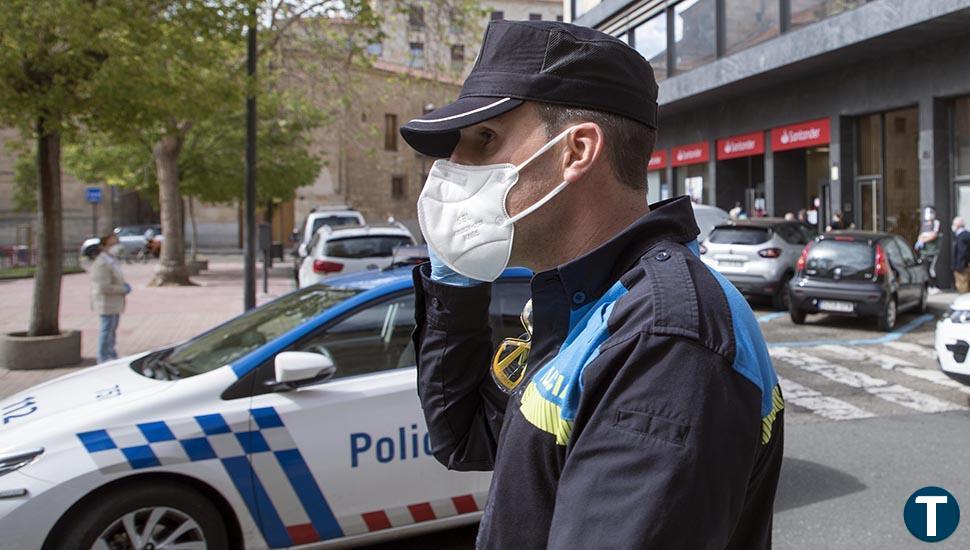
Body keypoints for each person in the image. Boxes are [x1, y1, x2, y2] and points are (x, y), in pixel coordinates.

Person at [400, 20, 783, 549]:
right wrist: (456, 281)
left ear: (576, 151)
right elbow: (463, 438)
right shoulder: (579, 301)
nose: (450, 166)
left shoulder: (662, 341)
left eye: (483, 138)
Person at [91, 233, 131, 363]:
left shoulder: (112, 260)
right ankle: (103, 357)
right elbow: (103, 287)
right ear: (103, 246)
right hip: (106, 303)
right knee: (106, 330)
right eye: (111, 244)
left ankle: (111, 354)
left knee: (112, 330)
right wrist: (123, 289)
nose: (115, 247)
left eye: (116, 243)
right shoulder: (101, 263)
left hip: (115, 303)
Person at [916, 206, 942, 291]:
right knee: (925, 268)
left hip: (932, 251)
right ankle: (929, 286)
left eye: (930, 212)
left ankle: (935, 286)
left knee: (931, 269)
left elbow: (934, 235)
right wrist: (921, 240)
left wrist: (924, 240)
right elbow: (920, 235)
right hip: (924, 251)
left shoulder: (936, 223)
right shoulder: (924, 224)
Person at [952, 217, 970, 293]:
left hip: (962, 267)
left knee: (962, 286)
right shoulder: (967, 235)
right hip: (965, 265)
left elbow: (962, 252)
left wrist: (959, 266)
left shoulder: (961, 237)